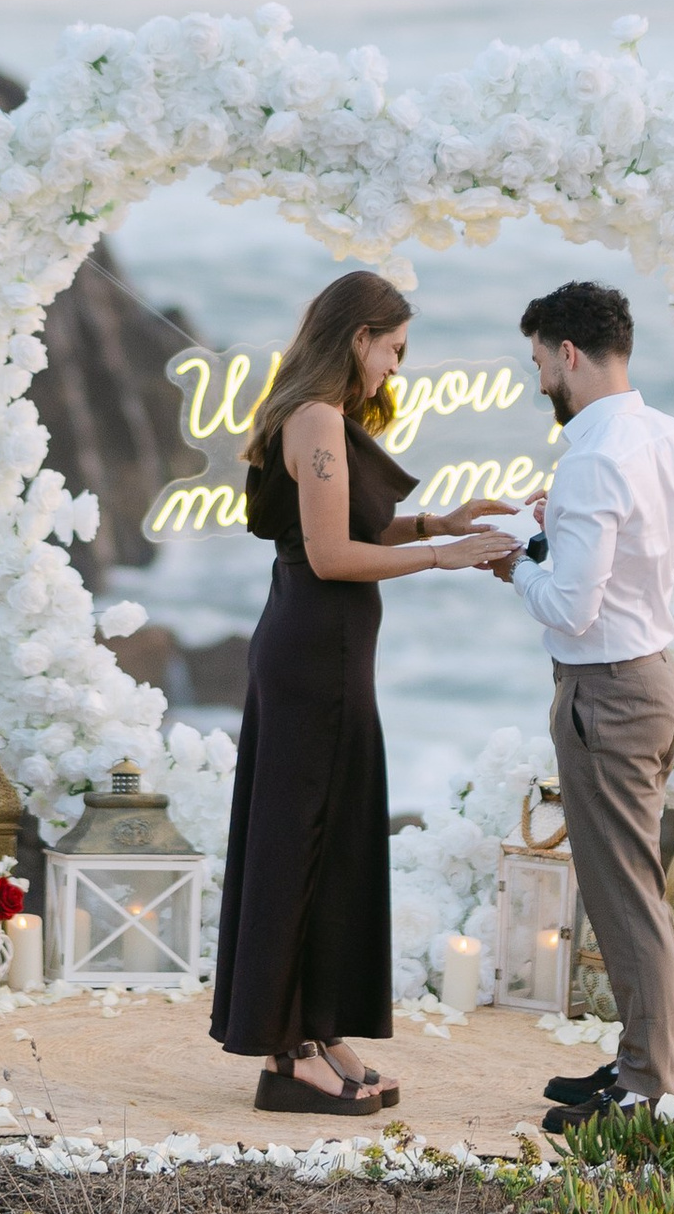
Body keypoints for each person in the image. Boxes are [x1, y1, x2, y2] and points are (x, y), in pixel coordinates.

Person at [209, 265, 516, 1113]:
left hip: (323, 648)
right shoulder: (314, 418)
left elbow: (361, 526)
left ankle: (315, 1030)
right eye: (394, 349)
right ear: (359, 337)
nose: (396, 368)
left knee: (325, 838)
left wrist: (445, 522)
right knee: (305, 842)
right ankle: (288, 1051)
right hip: (316, 652)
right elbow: (334, 557)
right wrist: (441, 558)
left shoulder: (322, 417)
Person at [496, 277, 674, 1133]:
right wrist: (607, 548)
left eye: (538, 365)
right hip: (655, 678)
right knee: (629, 883)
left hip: (606, 691)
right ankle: (640, 1059)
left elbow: (569, 608)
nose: (539, 384)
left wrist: (515, 562)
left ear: (567, 353)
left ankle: (647, 1091)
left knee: (623, 891)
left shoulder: (591, 455)